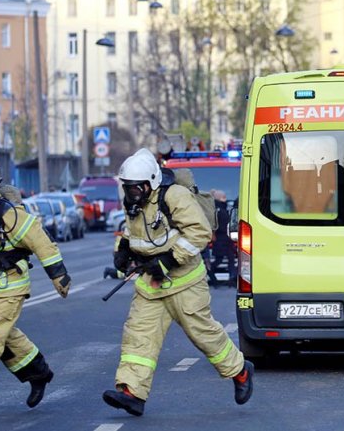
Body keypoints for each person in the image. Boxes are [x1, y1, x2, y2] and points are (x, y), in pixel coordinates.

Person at [102, 149, 253, 417]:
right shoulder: (134, 204)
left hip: (185, 282)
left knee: (203, 335)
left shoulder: (174, 197)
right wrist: (123, 251)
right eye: (128, 188)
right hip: (151, 285)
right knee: (138, 336)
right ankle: (133, 393)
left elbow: (199, 232)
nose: (131, 193)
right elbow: (132, 233)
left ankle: (239, 371)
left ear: (150, 182)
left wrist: (169, 260)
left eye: (136, 187)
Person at [0, 158, 71, 416]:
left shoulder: (5, 211)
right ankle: (38, 372)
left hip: (8, 284)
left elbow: (40, 241)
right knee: (4, 334)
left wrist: (59, 276)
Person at [210, 190, 238, 287]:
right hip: (222, 239)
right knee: (220, 259)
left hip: (225, 239)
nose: (226, 199)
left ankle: (232, 278)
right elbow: (220, 224)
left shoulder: (218, 208)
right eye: (224, 197)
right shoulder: (218, 209)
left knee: (230, 259)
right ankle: (209, 272)